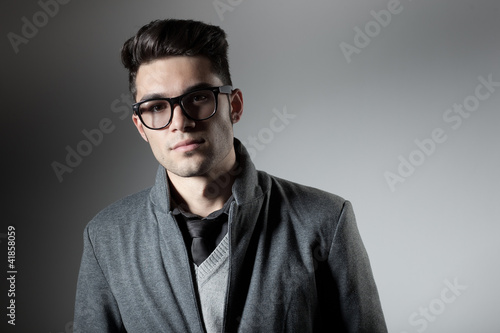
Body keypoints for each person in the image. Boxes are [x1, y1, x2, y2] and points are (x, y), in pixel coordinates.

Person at [73, 18, 387, 332]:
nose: (179, 121)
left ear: (233, 106)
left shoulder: (324, 220)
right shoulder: (106, 237)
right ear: (140, 126)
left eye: (198, 98)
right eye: (156, 107)